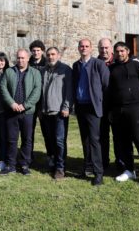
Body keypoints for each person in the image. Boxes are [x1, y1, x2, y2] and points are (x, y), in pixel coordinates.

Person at [108, 42, 139, 187]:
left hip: (136, 108)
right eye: (117, 51)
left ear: (127, 51)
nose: (119, 53)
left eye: (122, 51)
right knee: (124, 141)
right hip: (118, 110)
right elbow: (110, 89)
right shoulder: (112, 68)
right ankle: (129, 169)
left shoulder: (137, 65)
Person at [0, 49, 41, 176]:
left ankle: (24, 164)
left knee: (27, 139)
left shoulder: (35, 73)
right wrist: (12, 103)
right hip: (12, 111)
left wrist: (25, 105)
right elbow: (3, 88)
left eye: (23, 58)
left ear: (28, 58)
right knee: (11, 140)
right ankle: (11, 165)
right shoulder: (9, 71)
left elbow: (37, 91)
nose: (20, 60)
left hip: (27, 112)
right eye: (18, 58)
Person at [72, 39, 109, 186]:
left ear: (91, 48)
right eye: (81, 46)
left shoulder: (98, 64)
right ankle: (87, 168)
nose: (84, 48)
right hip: (81, 107)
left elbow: (106, 86)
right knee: (85, 139)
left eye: (87, 46)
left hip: (93, 108)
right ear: (78, 48)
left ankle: (98, 173)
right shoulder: (76, 65)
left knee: (94, 140)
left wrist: (101, 106)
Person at [40, 47, 73, 180]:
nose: (50, 57)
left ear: (58, 55)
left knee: (60, 140)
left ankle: (60, 167)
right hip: (46, 111)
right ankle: (54, 162)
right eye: (48, 55)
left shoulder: (65, 70)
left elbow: (69, 90)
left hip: (60, 111)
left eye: (53, 54)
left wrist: (66, 107)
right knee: (50, 139)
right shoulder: (43, 71)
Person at [97, 37, 117, 169]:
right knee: (102, 136)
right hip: (100, 106)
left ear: (111, 48)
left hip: (116, 106)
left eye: (106, 47)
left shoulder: (119, 62)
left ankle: (121, 163)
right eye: (101, 48)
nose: (104, 50)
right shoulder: (95, 63)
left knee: (119, 136)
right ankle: (104, 162)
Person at [28, 40, 48, 165]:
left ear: (42, 51)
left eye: (38, 50)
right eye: (34, 50)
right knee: (29, 131)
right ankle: (29, 154)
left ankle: (50, 155)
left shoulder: (47, 63)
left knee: (46, 131)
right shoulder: (27, 63)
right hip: (30, 102)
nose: (36, 53)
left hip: (43, 102)